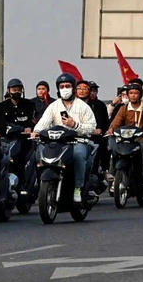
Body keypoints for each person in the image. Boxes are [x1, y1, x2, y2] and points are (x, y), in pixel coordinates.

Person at [33, 73, 98, 204]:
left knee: (78, 155)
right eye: (62, 86)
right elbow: (43, 122)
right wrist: (36, 132)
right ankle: (37, 185)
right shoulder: (54, 106)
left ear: (73, 88)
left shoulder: (83, 106)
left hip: (78, 141)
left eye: (67, 86)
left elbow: (92, 127)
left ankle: (78, 188)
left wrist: (75, 125)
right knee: (39, 153)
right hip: (58, 142)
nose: (64, 88)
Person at [107, 81, 143, 186]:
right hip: (127, 138)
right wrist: (111, 129)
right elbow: (116, 122)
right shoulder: (124, 108)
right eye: (131, 93)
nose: (133, 95)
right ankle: (113, 174)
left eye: (136, 93)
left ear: (140, 94)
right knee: (114, 148)